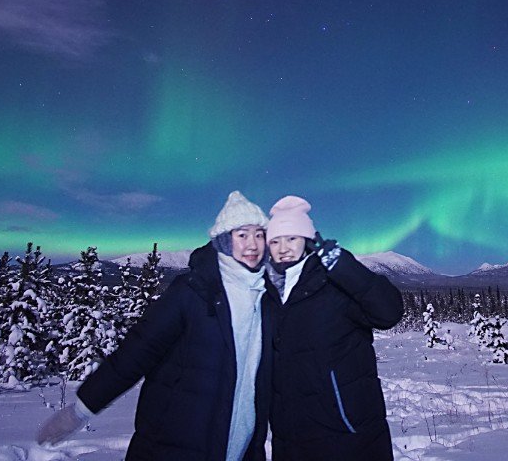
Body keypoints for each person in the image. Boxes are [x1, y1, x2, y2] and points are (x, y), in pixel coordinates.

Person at [36, 191, 274, 461]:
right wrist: (82, 409)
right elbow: (137, 351)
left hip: (240, 447)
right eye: (242, 235)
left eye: (259, 235)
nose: (252, 244)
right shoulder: (192, 292)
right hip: (175, 444)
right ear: (224, 240)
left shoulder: (266, 299)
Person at [264, 195, 404, 461]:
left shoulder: (334, 284)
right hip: (290, 436)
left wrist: (343, 265)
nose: (283, 248)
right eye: (275, 241)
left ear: (307, 240)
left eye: (291, 238)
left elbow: (389, 312)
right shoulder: (266, 294)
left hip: (346, 432)